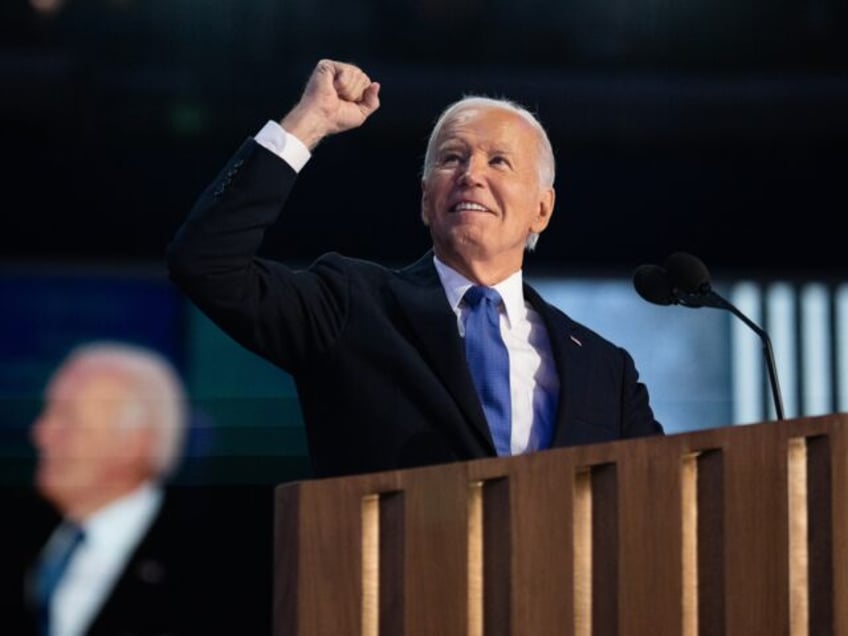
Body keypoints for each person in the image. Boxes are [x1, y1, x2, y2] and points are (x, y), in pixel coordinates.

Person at [167, 58, 664, 480]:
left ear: (542, 208)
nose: (471, 175)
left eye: (499, 162)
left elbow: (658, 495)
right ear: (427, 201)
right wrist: (309, 122)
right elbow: (207, 262)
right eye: (452, 158)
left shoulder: (604, 370)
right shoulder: (351, 304)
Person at [23, 341, 268, 636]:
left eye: (67, 419)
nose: (41, 433)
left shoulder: (215, 568)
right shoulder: (20, 534)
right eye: (47, 414)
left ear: (132, 444)